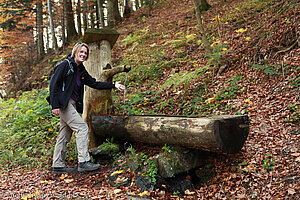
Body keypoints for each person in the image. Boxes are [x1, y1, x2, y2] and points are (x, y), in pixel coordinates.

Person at [46, 42, 125, 174]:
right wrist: (55, 105)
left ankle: (58, 165)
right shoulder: (66, 65)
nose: (83, 55)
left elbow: (94, 83)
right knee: (82, 128)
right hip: (64, 104)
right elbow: (54, 85)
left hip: (72, 104)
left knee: (65, 133)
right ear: (75, 52)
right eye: (81, 52)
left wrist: (113, 85)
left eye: (85, 53)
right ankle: (83, 162)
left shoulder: (80, 69)